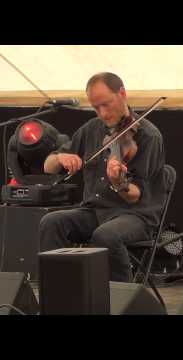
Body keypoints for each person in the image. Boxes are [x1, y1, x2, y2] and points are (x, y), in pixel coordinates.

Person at [39, 72, 166, 282]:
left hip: (134, 215)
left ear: (122, 93)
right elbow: (48, 167)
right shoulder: (91, 129)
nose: (102, 113)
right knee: (51, 222)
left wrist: (118, 182)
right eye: (96, 107)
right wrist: (61, 157)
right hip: (95, 210)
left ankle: (121, 300)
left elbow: (135, 196)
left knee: (105, 235)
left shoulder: (148, 136)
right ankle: (59, 291)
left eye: (106, 104)